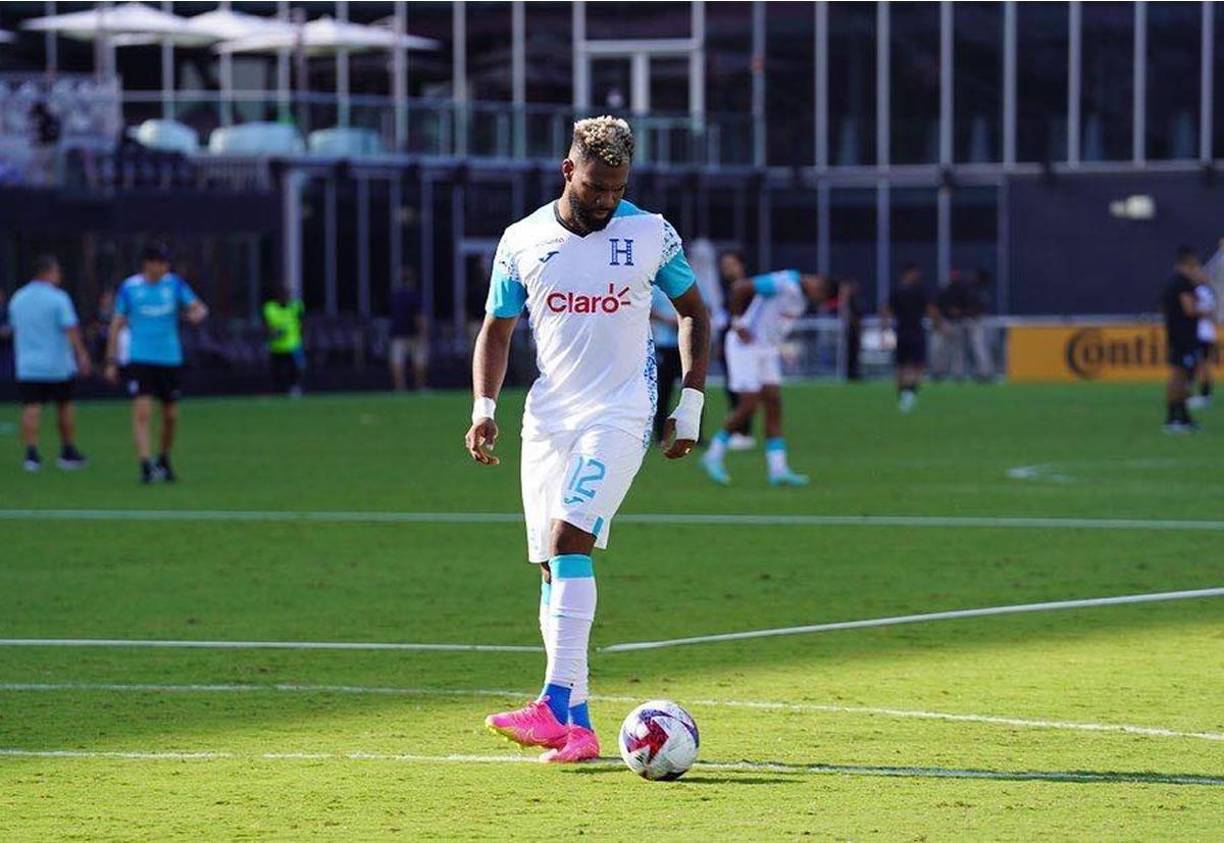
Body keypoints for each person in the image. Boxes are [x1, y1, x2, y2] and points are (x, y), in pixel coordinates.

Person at [467, 116, 709, 764]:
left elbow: (695, 314)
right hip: (548, 417)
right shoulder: (523, 241)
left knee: (569, 537)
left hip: (623, 411)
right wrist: (484, 406)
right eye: (597, 185)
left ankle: (549, 701)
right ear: (567, 171)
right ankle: (577, 724)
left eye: (617, 187)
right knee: (552, 566)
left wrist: (690, 405)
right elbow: (496, 329)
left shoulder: (651, 233)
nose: (606, 199)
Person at [701, 268, 825, 487]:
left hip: (767, 350)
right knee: (748, 405)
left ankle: (778, 469)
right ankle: (713, 455)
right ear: (817, 285)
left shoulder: (801, 299)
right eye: (821, 294)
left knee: (774, 403)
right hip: (745, 347)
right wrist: (737, 323)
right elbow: (740, 288)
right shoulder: (785, 281)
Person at [104, 243, 208, 483]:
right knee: (142, 412)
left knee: (171, 415)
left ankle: (163, 457)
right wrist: (111, 360)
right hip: (140, 358)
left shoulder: (175, 284)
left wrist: (196, 314)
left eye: (166, 263)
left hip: (169, 358)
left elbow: (198, 307)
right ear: (147, 264)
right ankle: (145, 465)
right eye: (160, 262)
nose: (164, 267)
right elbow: (116, 324)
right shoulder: (130, 288)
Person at [9, 256, 92, 471]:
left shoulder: (18, 298)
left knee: (31, 408)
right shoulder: (58, 298)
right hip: (57, 365)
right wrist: (81, 354)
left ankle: (31, 455)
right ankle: (67, 451)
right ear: (48, 272)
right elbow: (70, 328)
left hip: (28, 365)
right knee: (64, 407)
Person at [1162, 246, 1210, 432]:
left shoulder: (1172, 282)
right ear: (1189, 262)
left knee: (1176, 376)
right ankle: (1179, 418)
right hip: (1184, 336)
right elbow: (1189, 309)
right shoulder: (1183, 283)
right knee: (1181, 378)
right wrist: (1205, 311)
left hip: (1175, 334)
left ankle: (1174, 417)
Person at [881, 262, 938, 413]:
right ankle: (910, 394)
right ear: (910, 272)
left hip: (901, 331)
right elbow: (931, 310)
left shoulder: (896, 291)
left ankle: (902, 395)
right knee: (917, 365)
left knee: (901, 365)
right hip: (916, 331)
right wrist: (937, 325)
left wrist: (885, 329)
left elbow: (886, 311)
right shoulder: (919, 291)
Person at [717, 250, 755, 450]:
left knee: (742, 389)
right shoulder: (727, 289)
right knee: (731, 388)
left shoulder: (747, 289)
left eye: (730, 264)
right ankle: (738, 430)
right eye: (724, 265)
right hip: (729, 342)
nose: (726, 269)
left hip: (742, 344)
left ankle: (743, 432)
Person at [650, 283, 683, 443]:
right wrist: (669, 321)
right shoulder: (656, 288)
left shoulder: (689, 282)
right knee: (663, 391)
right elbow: (648, 310)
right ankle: (660, 434)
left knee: (692, 390)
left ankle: (692, 433)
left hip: (684, 344)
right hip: (663, 342)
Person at [389, 267, 428, 391]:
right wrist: (424, 332)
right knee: (418, 360)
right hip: (413, 333)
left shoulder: (395, 295)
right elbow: (418, 316)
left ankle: (400, 387)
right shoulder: (414, 296)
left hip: (397, 332)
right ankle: (419, 386)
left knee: (398, 361)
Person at [263, 284, 305, 397]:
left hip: (293, 345)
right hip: (276, 346)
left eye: (288, 295)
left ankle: (295, 390)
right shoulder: (270, 308)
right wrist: (274, 333)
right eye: (284, 295)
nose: (286, 298)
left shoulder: (296, 306)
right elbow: (267, 327)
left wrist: (301, 336)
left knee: (295, 370)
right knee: (277, 373)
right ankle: (278, 392)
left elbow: (302, 323)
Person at [1189, 271, 1217, 409]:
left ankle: (1204, 396)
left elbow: (1199, 311)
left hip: (1201, 333)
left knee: (1202, 365)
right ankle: (1205, 395)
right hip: (1208, 333)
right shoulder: (1208, 291)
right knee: (1204, 365)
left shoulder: (1199, 291)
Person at [964, 269, 993, 382]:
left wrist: (968, 313)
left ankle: (984, 373)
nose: (973, 277)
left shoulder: (978, 291)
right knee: (979, 348)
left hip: (976, 321)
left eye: (976, 276)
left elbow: (978, 308)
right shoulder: (979, 290)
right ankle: (982, 372)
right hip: (977, 321)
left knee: (979, 347)